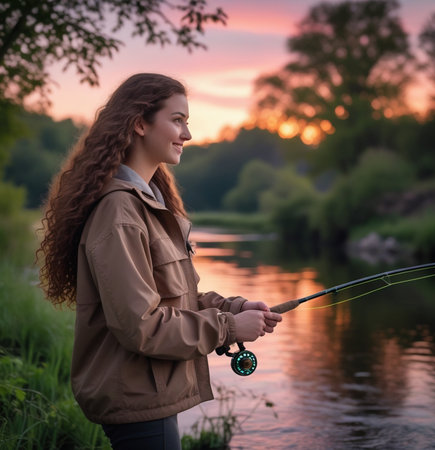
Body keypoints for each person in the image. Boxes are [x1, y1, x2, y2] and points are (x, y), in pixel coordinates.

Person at [37, 73, 282, 449]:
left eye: (187, 122)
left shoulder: (148, 205)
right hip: (136, 398)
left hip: (148, 394)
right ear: (139, 123)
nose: (187, 135)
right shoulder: (120, 211)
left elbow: (174, 300)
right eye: (177, 120)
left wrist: (235, 308)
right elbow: (142, 326)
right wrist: (230, 328)